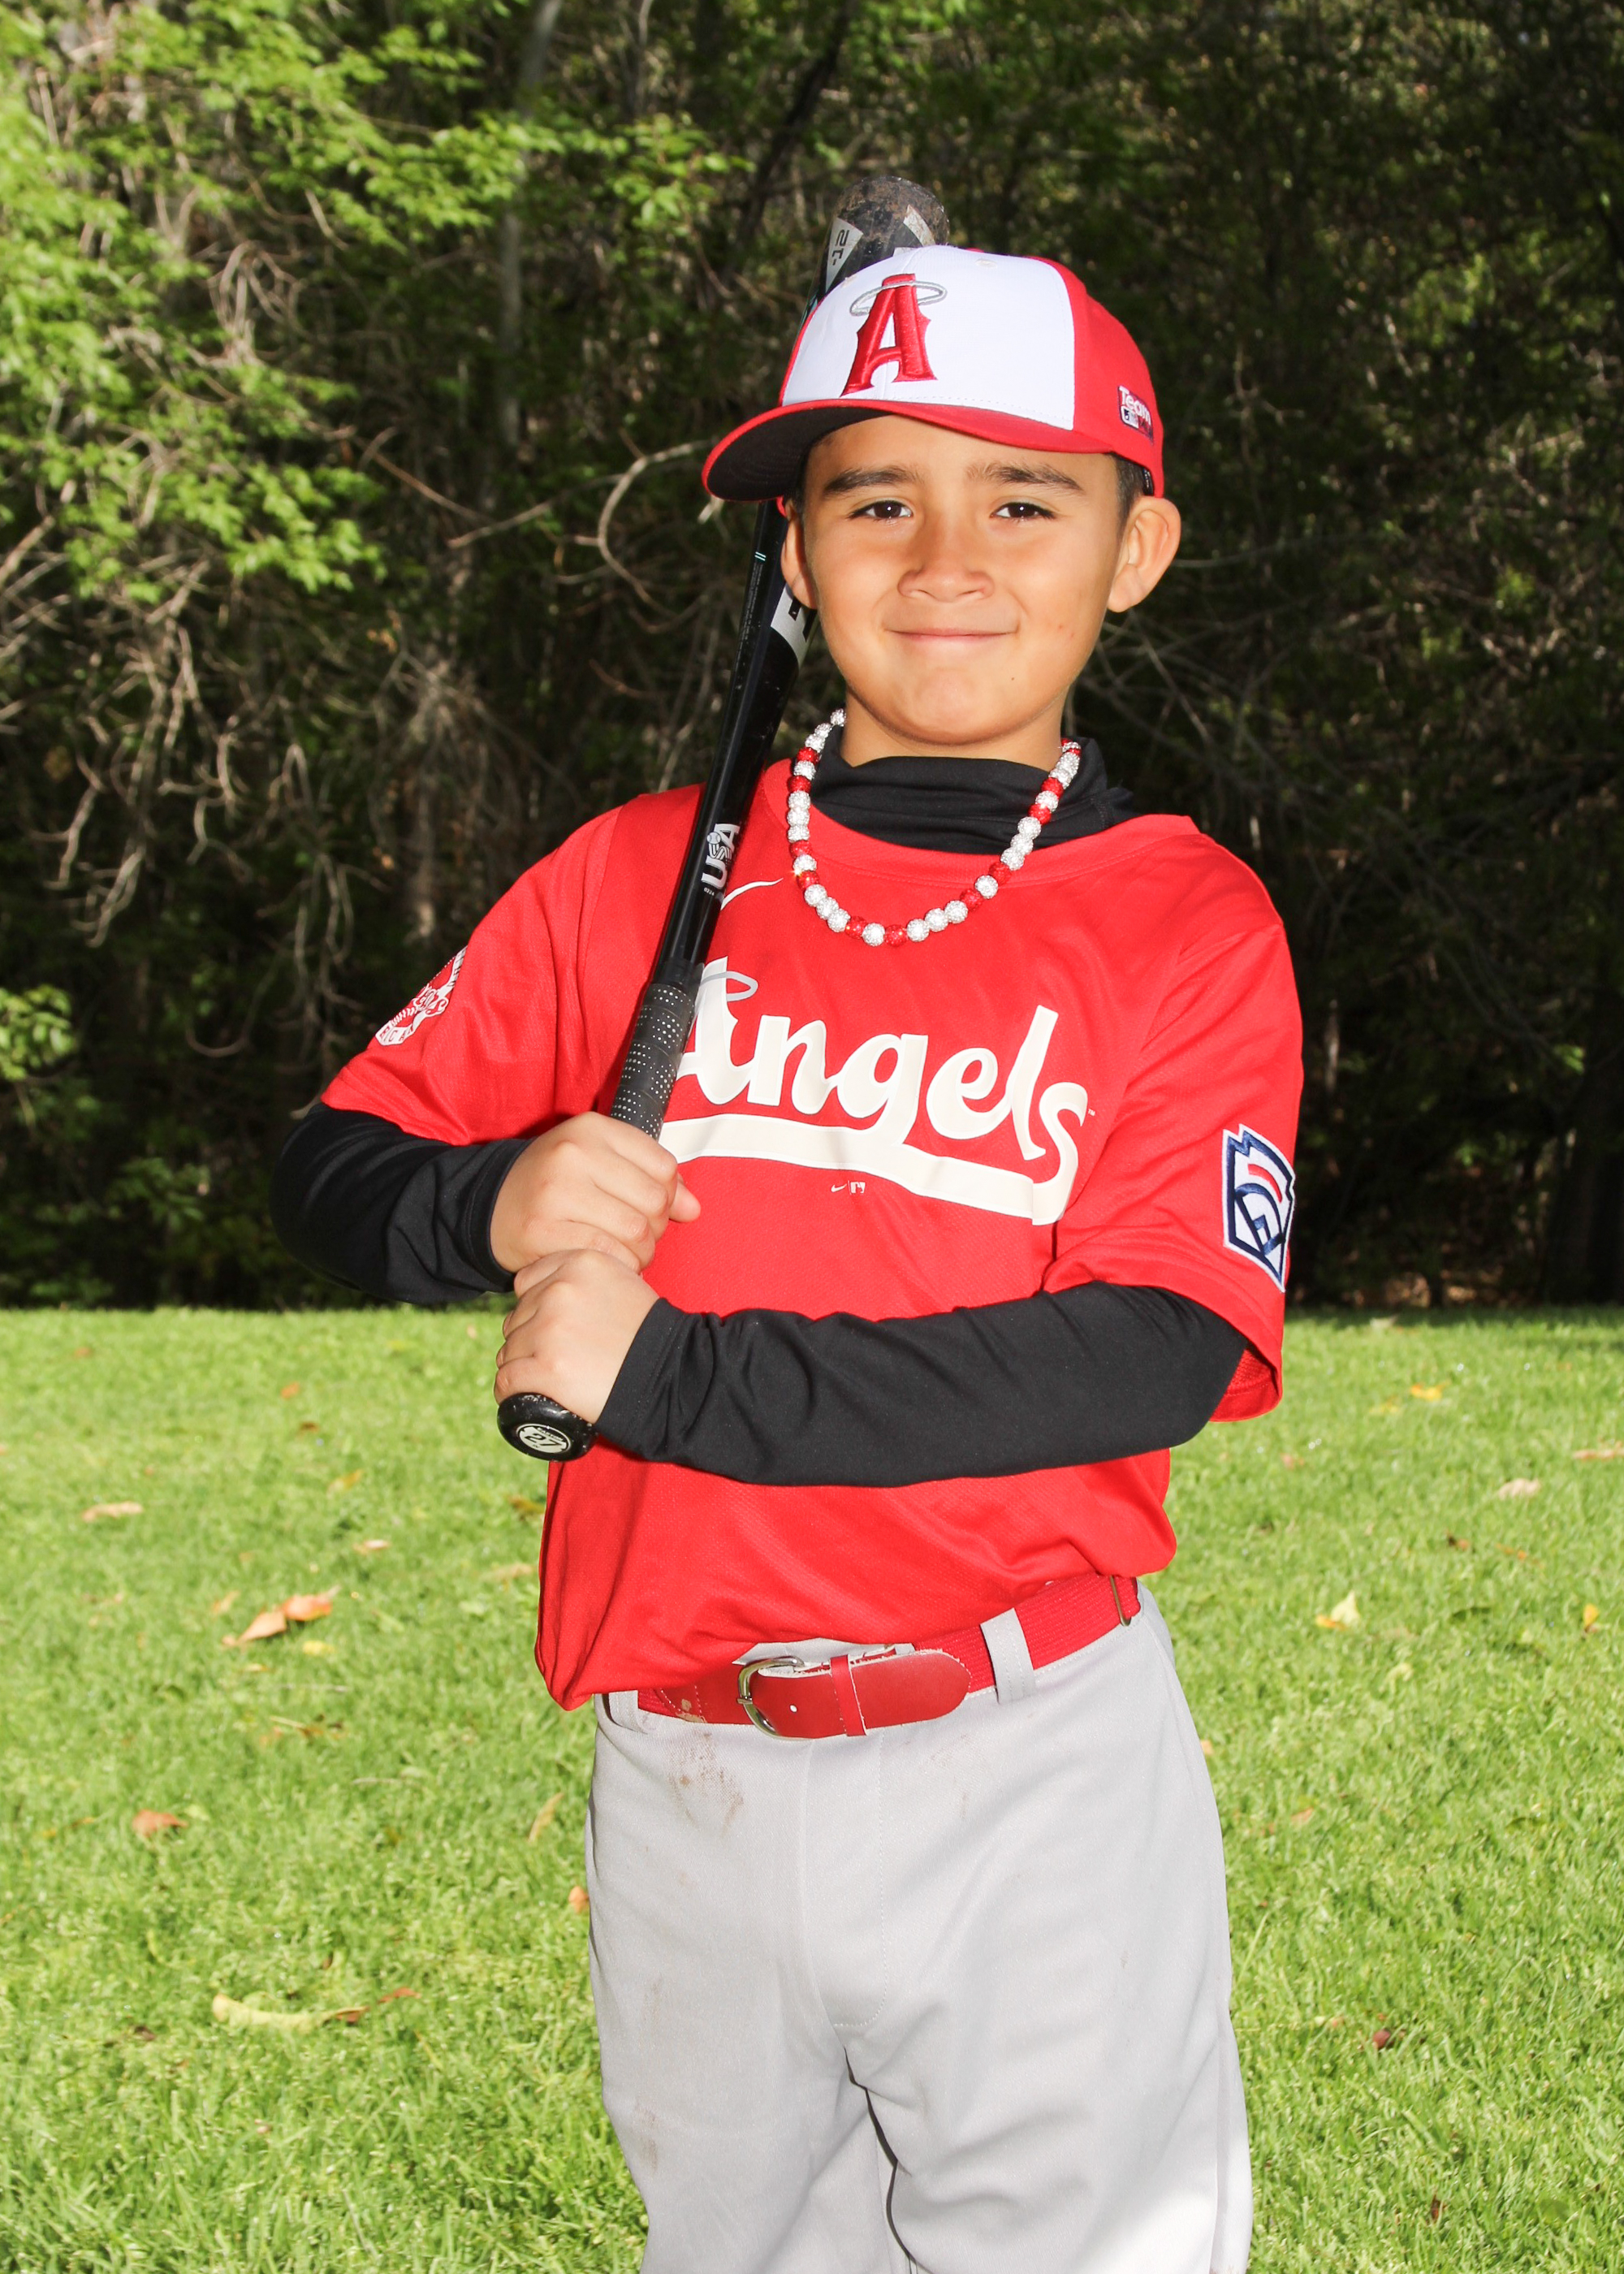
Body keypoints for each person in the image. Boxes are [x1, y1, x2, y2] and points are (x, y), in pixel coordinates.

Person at [274, 240, 1301, 2274]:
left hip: (1024, 1757)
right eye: (874, 499)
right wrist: (487, 1205)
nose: (947, 559)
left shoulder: (1184, 920)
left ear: (1137, 547)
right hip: (688, 1765)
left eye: (1024, 500)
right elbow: (328, 1158)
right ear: (794, 553)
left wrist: (668, 1374)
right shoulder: (635, 873)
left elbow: (1148, 1348)